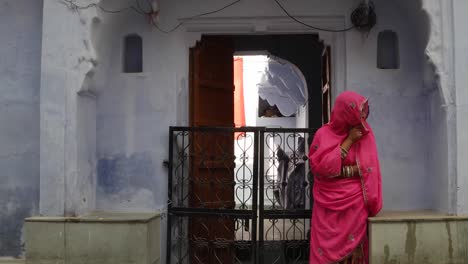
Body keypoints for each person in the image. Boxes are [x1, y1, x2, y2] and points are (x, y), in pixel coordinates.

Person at [308, 91, 382, 264]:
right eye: (357, 112)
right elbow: (319, 168)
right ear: (344, 112)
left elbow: (369, 168)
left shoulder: (364, 134)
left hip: (355, 202)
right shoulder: (323, 134)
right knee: (324, 251)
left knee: (355, 250)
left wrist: (347, 170)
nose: (361, 118)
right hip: (327, 203)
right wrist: (348, 141)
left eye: (363, 112)